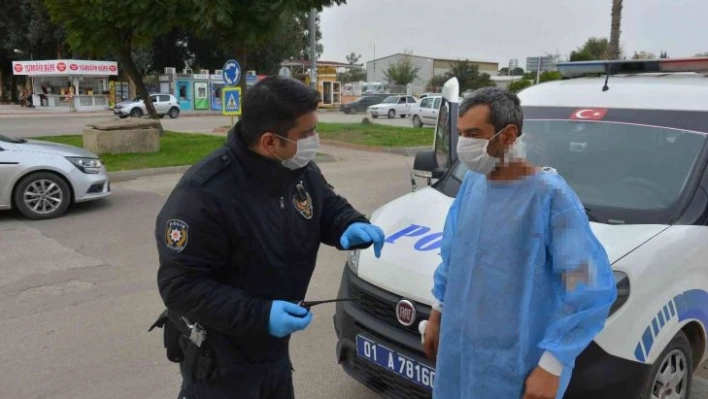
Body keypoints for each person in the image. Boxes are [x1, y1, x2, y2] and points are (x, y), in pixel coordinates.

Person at [154, 76, 386, 399]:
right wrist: (261, 315)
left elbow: (325, 205)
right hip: (221, 365)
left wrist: (347, 223)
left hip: (274, 356)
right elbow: (180, 287)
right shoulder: (205, 194)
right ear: (269, 142)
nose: (314, 140)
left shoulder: (296, 168)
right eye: (306, 134)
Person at [422, 87, 617, 399]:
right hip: (459, 355)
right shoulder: (474, 184)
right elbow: (454, 257)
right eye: (460, 134)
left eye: (473, 134)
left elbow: (588, 289)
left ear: (508, 135)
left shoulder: (550, 199)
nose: (464, 145)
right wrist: (437, 312)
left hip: (516, 368)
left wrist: (552, 365)